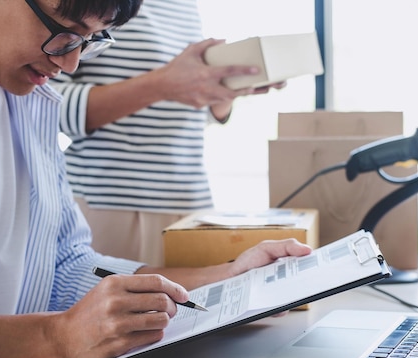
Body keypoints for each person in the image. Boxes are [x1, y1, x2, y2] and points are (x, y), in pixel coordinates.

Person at [0, 0, 311, 358]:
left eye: (89, 40)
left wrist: (225, 279)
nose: (71, 64)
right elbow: (62, 329)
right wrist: (57, 336)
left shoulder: (30, 109)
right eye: (64, 30)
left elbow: (67, 268)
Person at [50, 0, 283, 266]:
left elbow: (178, 113)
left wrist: (223, 93)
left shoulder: (185, 5)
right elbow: (50, 105)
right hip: (112, 203)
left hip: (190, 203)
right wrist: (163, 84)